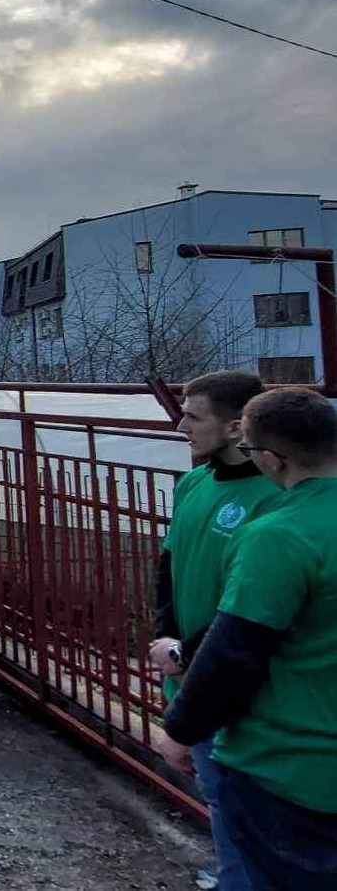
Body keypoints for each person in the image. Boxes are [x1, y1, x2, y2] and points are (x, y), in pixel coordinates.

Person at [158, 387, 337, 890]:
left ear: (274, 460)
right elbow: (169, 566)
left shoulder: (281, 533)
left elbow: (236, 648)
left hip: (282, 761)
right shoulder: (199, 487)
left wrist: (181, 728)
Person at [146, 371, 281, 887]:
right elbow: (168, 566)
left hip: (231, 674)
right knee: (218, 792)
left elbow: (252, 604)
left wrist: (187, 651)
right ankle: (232, 874)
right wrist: (169, 642)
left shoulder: (273, 499)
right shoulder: (194, 482)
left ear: (233, 429)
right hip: (186, 666)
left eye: (192, 415)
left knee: (241, 795)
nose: (180, 424)